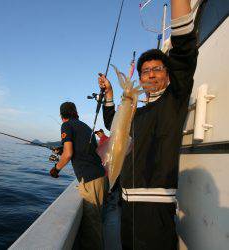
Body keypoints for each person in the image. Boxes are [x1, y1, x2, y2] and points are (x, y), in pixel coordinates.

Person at [98, 0, 198, 249]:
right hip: (127, 207)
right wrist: (110, 96)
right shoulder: (137, 113)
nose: (151, 74)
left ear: (167, 74)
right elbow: (115, 126)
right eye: (145, 71)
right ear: (140, 77)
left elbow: (184, 50)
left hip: (155, 210)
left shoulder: (173, 101)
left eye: (157, 69)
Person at [49, 102, 106, 250]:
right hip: (99, 175)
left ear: (62, 115)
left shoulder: (66, 125)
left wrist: (56, 169)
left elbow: (68, 154)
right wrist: (62, 149)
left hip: (89, 178)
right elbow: (83, 149)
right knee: (96, 221)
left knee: (92, 226)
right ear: (75, 112)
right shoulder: (84, 126)